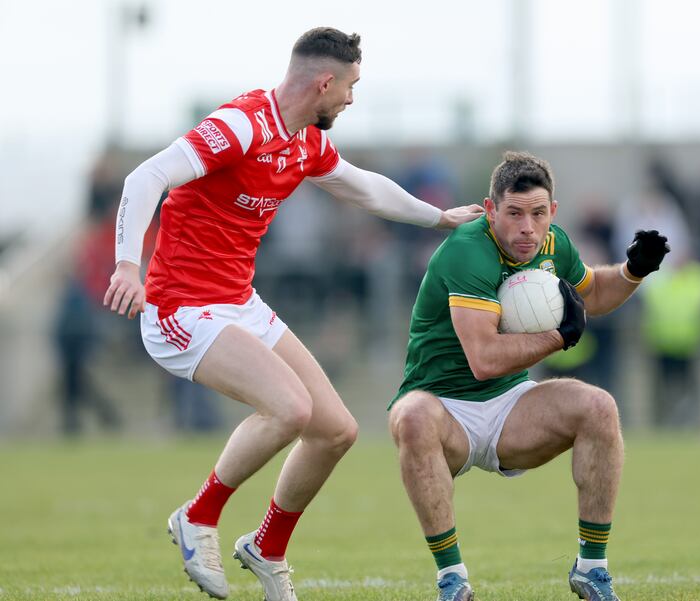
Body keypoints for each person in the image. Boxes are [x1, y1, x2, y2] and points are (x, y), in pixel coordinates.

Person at [103, 27, 483, 601]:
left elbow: (363, 189)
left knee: (335, 430)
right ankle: (198, 517)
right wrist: (127, 267)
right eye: (351, 87)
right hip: (180, 306)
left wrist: (438, 219)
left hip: (238, 303)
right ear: (324, 82)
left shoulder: (305, 140)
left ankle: (267, 548)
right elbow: (145, 177)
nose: (352, 99)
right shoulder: (242, 124)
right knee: (289, 408)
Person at [388, 151, 670, 601]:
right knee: (412, 417)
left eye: (538, 214)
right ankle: (452, 579)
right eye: (514, 214)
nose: (527, 228)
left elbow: (592, 294)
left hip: (510, 405)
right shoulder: (466, 250)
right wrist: (559, 338)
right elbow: (483, 359)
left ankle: (592, 568)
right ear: (490, 209)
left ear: (552, 212)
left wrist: (634, 270)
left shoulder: (554, 242)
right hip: (445, 408)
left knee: (599, 407)